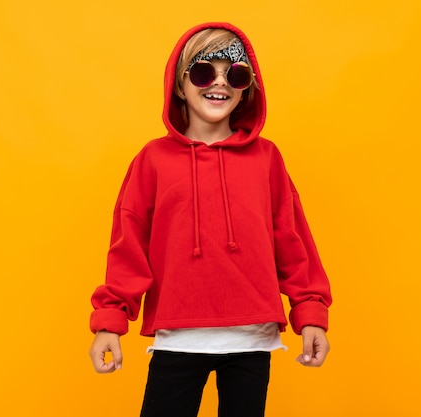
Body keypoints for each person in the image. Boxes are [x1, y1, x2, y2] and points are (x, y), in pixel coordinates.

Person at [88, 22, 332, 417]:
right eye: (203, 71)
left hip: (252, 338)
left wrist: (310, 312)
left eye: (235, 74)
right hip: (179, 335)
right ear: (180, 85)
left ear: (246, 88)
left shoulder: (267, 159)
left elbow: (292, 239)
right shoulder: (152, 161)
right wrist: (109, 321)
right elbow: (128, 245)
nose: (219, 83)